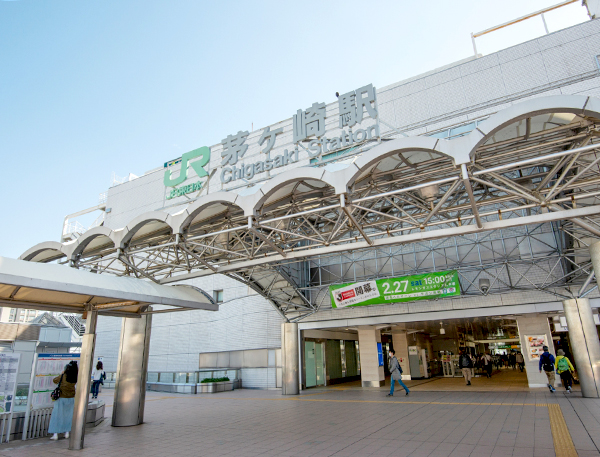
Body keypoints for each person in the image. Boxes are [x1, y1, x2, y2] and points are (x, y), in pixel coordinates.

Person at [48, 361, 78, 440]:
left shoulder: (63, 376)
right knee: (68, 416)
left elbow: (55, 380)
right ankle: (67, 433)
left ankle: (55, 434)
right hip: (71, 398)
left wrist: (62, 373)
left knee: (57, 416)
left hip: (61, 398)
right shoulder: (75, 377)